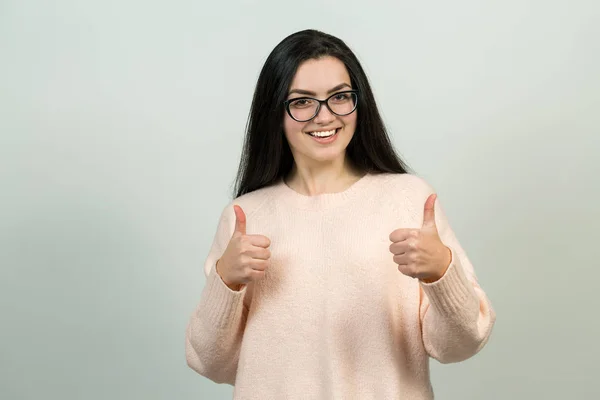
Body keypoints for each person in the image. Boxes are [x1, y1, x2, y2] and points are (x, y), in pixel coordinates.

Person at [185, 29, 496, 400]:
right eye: (302, 102)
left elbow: (460, 344)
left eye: (340, 97)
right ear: (274, 111)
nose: (325, 116)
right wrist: (225, 281)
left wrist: (442, 272)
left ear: (358, 102)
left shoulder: (408, 199)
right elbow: (212, 364)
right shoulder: (245, 217)